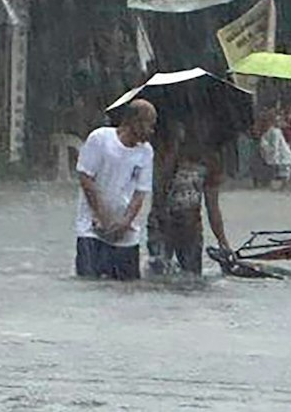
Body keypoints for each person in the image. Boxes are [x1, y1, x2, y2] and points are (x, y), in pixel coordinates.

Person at [76, 99, 158, 280]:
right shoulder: (100, 139)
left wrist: (124, 223)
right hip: (92, 230)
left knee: (127, 289)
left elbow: (140, 193)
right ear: (133, 121)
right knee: (89, 284)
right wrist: (103, 218)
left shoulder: (146, 152)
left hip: (126, 234)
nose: (151, 132)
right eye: (148, 125)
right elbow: (85, 178)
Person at [152, 121, 229, 276]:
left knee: (191, 276)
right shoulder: (165, 151)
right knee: (160, 274)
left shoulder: (211, 161)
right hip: (161, 224)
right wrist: (174, 148)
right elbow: (159, 184)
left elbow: (212, 206)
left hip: (190, 227)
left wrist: (222, 241)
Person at [258, 108, 291, 190]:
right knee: (281, 170)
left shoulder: (275, 132)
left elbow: (275, 145)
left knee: (283, 170)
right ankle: (283, 184)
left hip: (281, 154)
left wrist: (274, 156)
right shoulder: (272, 131)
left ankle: (285, 184)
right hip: (278, 153)